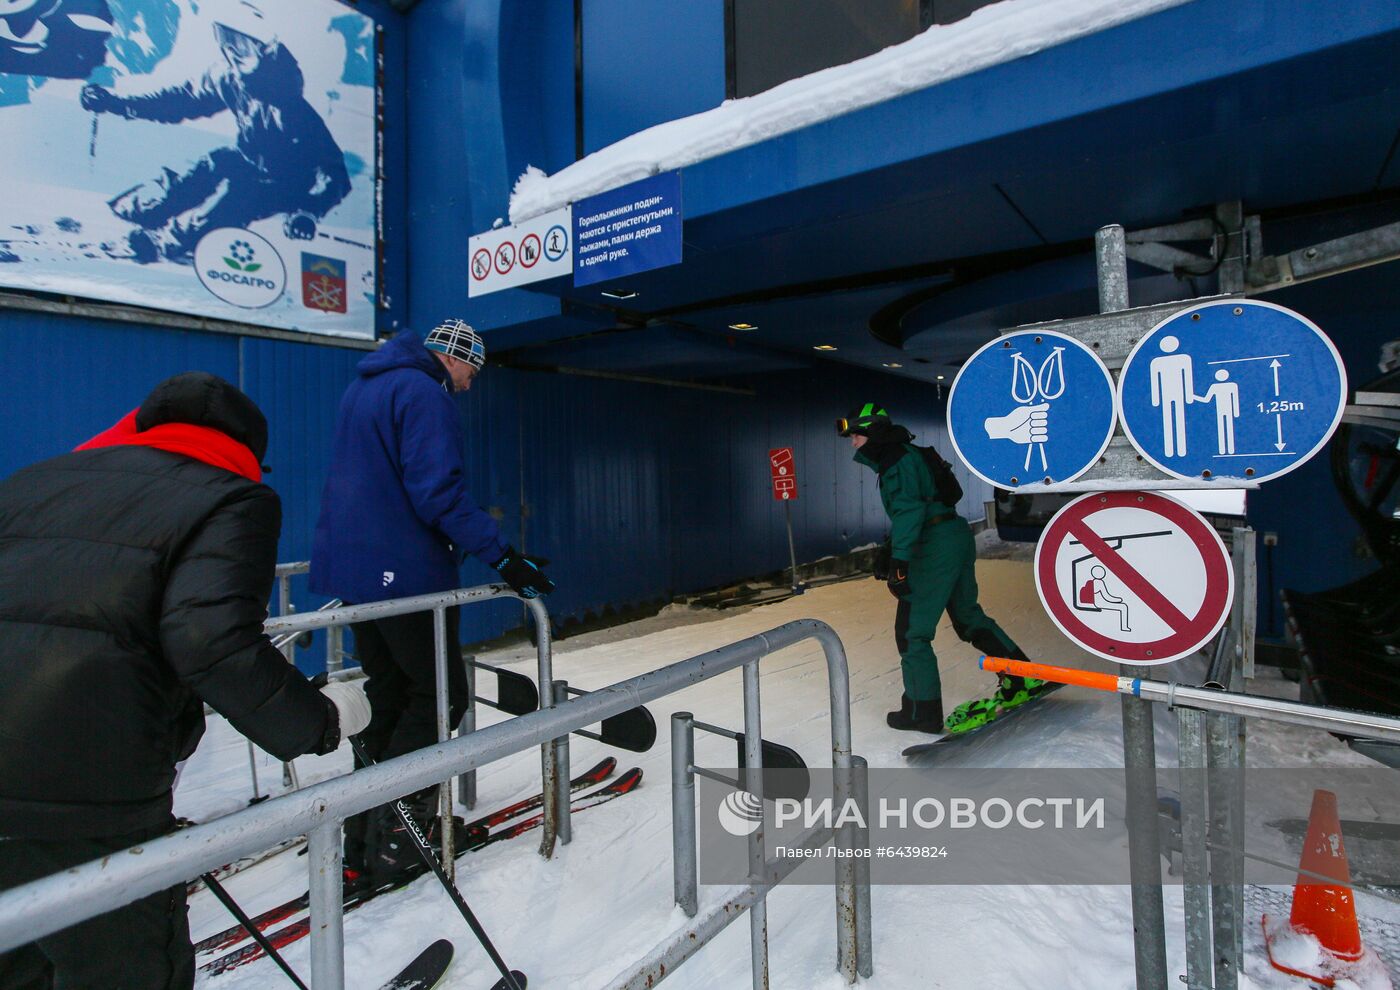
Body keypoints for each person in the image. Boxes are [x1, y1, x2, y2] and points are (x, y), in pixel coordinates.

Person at [0, 372, 371, 990]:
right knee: (126, 966)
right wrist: (323, 721)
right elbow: (212, 641)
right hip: (90, 788)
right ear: (247, 447)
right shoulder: (230, 496)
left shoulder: (30, 483)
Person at [311, 318, 554, 884]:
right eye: (473, 369)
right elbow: (436, 491)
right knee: (439, 696)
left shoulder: (364, 388)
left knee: (390, 695)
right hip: (405, 576)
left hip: (358, 572)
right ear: (456, 355)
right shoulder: (424, 392)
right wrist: (503, 555)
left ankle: (362, 834)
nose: (470, 383)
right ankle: (401, 837)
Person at [839, 403, 1048, 734]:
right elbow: (922, 504)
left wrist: (900, 560)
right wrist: (892, 549)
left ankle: (922, 712)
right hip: (953, 535)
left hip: (933, 544)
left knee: (912, 633)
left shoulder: (896, 462)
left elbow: (910, 511)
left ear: (874, 433)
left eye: (856, 436)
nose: (853, 443)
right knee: (968, 617)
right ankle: (1023, 678)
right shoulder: (910, 454)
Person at [81, 12, 351, 262]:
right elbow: (181, 101)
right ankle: (141, 210)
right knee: (214, 163)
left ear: (264, 50)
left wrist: (309, 211)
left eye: (242, 45)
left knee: (239, 194)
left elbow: (335, 173)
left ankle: (169, 242)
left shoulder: (291, 108)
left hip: (286, 185)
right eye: (226, 41)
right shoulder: (229, 77)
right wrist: (116, 103)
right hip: (246, 159)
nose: (233, 52)